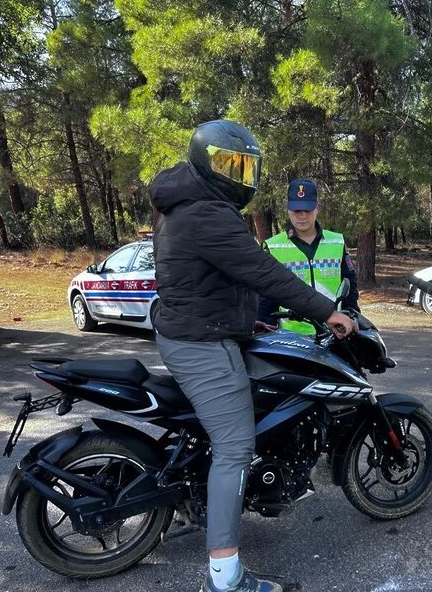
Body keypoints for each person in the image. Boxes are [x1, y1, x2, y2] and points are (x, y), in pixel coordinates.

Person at [149, 120, 357, 592]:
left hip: (201, 330)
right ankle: (225, 578)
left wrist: (247, 324)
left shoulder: (186, 205)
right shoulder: (207, 212)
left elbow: (212, 281)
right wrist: (330, 312)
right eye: (228, 164)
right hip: (201, 344)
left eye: (244, 166)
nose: (238, 175)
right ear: (205, 161)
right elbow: (265, 273)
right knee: (235, 446)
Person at [257, 178, 360, 334]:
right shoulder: (273, 247)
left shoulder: (337, 242)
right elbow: (265, 298)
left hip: (335, 334)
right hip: (290, 338)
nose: (302, 215)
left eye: (308, 209)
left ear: (317, 208)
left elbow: (350, 289)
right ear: (288, 209)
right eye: (297, 210)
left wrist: (352, 317)